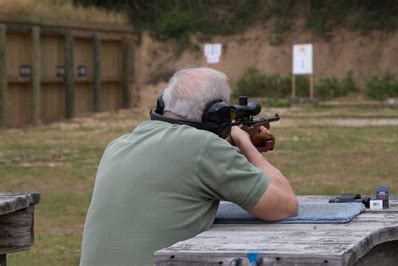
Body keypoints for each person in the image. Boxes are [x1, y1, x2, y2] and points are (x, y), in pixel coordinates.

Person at [80, 67, 298, 265]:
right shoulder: (204, 148)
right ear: (218, 111)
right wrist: (244, 143)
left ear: (163, 104)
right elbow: (285, 205)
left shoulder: (118, 145)